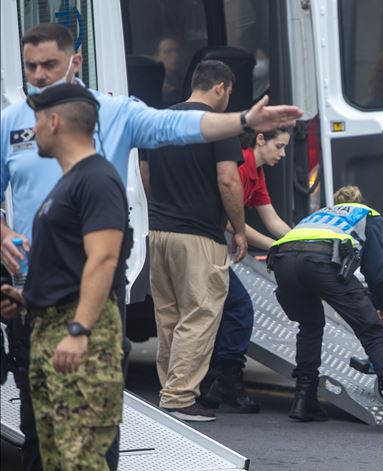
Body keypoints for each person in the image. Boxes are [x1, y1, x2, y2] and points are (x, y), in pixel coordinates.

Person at [0, 23, 301, 468]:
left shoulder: (110, 121)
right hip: (34, 291)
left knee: (93, 433)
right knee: (37, 430)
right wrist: (6, 239)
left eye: (50, 64)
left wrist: (241, 121)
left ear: (76, 63)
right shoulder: (12, 119)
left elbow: (174, 124)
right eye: (31, 67)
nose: (40, 76)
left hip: (91, 298)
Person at [1, 84, 130, 470]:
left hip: (78, 334)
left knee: (81, 461)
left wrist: (79, 331)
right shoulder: (69, 182)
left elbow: (103, 260)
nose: (33, 129)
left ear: (54, 121)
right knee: (56, 458)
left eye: (37, 120)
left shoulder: (97, 179)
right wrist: (28, 297)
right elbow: (72, 264)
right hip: (50, 326)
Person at [268, 186, 383, 435]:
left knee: (310, 324)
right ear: (362, 200)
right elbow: (376, 269)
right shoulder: (368, 215)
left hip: (283, 261)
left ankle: (304, 399)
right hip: (320, 261)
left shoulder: (319, 215)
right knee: (371, 331)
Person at [141, 60, 248, 422]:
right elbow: (228, 180)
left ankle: (169, 390)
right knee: (199, 314)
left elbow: (144, 171)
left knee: (168, 315)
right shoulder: (218, 126)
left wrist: (159, 207)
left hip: (158, 231)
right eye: (229, 92)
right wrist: (239, 228)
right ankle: (179, 397)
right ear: (220, 88)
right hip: (199, 234)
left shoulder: (161, 120)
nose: (227, 99)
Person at [199, 128, 294, 413]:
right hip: (203, 241)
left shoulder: (257, 172)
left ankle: (215, 381)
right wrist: (273, 246)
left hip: (214, 244)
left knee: (224, 311)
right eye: (279, 146)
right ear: (260, 139)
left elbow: (272, 219)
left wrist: (300, 241)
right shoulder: (239, 165)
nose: (283, 154)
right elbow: (229, 220)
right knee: (239, 307)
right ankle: (227, 380)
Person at [154, 37, 184, 107]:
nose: (175, 55)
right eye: (168, 52)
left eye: (177, 51)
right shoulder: (154, 82)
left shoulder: (186, 78)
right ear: (157, 57)